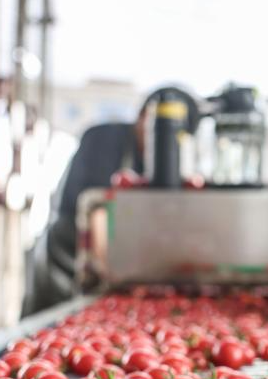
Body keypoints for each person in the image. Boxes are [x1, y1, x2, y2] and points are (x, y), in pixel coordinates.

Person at [23, 88, 197, 314]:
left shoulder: (155, 161)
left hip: (108, 260)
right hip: (67, 253)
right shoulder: (103, 138)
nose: (170, 146)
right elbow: (99, 214)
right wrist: (115, 284)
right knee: (50, 323)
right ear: (144, 116)